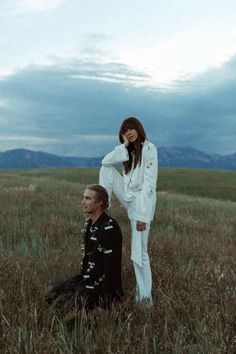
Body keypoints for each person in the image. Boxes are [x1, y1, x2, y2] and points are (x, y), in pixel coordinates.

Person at [99, 117, 158, 306]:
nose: (129, 133)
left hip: (141, 204)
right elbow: (106, 161)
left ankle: (145, 300)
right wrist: (123, 145)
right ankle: (102, 210)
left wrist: (142, 216)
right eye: (125, 131)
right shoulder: (129, 152)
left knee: (139, 253)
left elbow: (150, 185)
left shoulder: (150, 149)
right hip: (128, 197)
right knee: (105, 169)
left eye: (131, 129)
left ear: (139, 129)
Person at [46, 184, 124, 313]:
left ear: (99, 203)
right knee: (51, 296)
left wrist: (104, 303)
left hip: (99, 285)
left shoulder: (109, 228)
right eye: (83, 198)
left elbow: (112, 269)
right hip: (85, 278)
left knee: (71, 313)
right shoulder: (89, 223)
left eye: (87, 198)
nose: (82, 202)